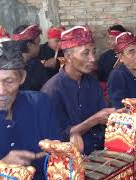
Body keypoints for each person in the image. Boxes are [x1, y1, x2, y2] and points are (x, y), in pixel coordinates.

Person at [0, 39, 62, 179]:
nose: (1, 91)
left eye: (9, 81)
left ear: (22, 77)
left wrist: (64, 152)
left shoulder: (40, 103)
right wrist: (1, 166)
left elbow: (57, 153)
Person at [41, 26, 116, 155]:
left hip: (99, 149)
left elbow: (102, 114)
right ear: (68, 56)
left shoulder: (91, 81)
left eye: (93, 52)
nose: (92, 58)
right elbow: (57, 137)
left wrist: (115, 115)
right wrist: (94, 120)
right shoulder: (52, 90)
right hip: (72, 159)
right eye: (85, 53)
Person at [11, 24, 49, 91]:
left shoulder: (36, 64)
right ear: (30, 45)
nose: (39, 46)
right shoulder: (12, 71)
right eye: (38, 43)